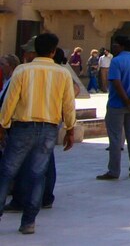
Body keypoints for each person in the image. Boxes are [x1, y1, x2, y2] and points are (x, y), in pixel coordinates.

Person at [0, 33, 76, 235]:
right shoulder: (62, 73)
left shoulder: (22, 70)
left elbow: (10, 100)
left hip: (22, 127)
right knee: (37, 174)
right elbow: (68, 104)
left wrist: (2, 124)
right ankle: (28, 222)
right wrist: (70, 128)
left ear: (33, 51)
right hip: (49, 129)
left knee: (7, 171)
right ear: (53, 51)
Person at [97, 35, 130, 181]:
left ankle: (114, 170)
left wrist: (126, 100)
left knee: (115, 138)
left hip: (117, 104)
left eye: (115, 45)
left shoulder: (117, 61)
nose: (113, 47)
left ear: (120, 46)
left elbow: (117, 83)